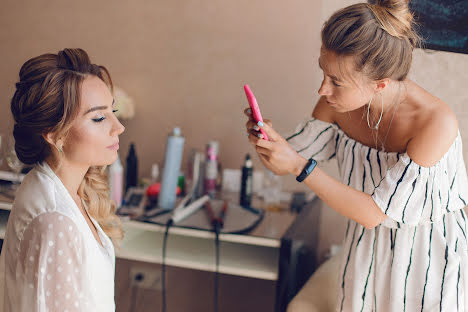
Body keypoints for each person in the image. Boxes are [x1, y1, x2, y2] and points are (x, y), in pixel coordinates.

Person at [245, 0, 468, 310]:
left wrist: (299, 165)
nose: (323, 90)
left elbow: (375, 213)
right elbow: (284, 164)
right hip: (363, 254)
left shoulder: (434, 123)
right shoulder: (336, 104)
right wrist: (267, 141)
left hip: (428, 264)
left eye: (337, 82)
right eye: (324, 73)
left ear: (380, 84)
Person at [0, 48, 125, 311]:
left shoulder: (54, 186)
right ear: (55, 134)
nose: (118, 126)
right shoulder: (55, 222)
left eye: (113, 111)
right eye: (99, 117)